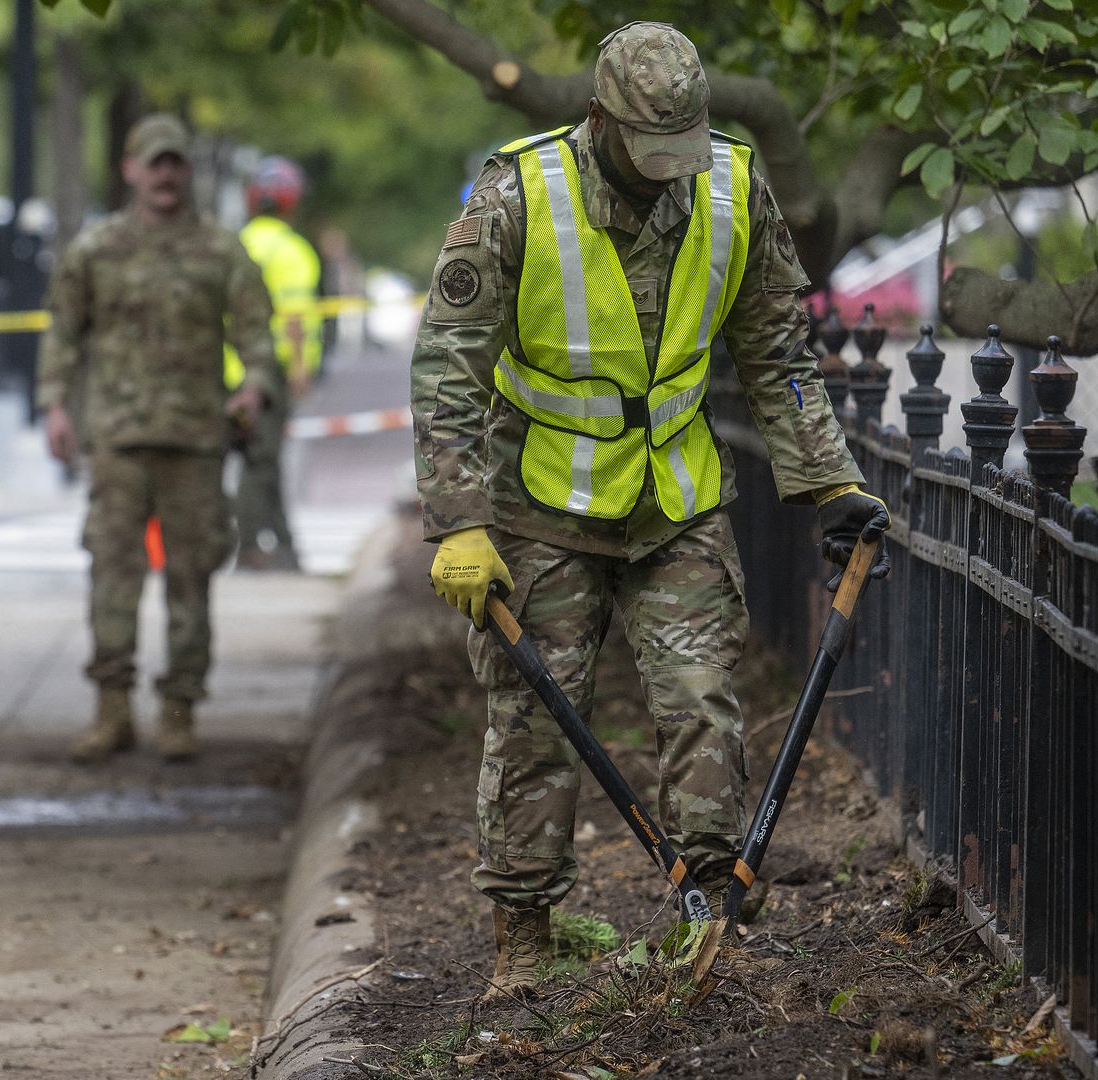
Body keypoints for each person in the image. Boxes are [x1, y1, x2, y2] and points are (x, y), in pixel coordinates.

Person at [411, 23, 890, 999]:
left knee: (701, 703)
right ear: (599, 119)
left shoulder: (730, 183)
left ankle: (708, 915)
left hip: (675, 497)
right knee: (535, 724)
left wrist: (829, 482)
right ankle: (524, 938)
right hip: (540, 500)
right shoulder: (518, 195)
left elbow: (778, 353)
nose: (670, 172)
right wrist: (460, 520)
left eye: (684, 147)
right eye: (648, 151)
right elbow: (447, 369)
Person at [37, 114, 280, 764]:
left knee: (190, 579)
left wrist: (253, 385)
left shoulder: (221, 251)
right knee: (112, 576)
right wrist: (54, 406)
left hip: (196, 440)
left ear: (187, 172)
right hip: (116, 440)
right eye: (155, 162)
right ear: (132, 169)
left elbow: (257, 332)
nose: (166, 174)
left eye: (176, 163)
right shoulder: (96, 249)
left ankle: (179, 711)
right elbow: (63, 332)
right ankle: (111, 709)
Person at [225, 155, 322, 572]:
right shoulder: (293, 251)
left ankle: (283, 545)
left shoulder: (235, 243)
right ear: (290, 202)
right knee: (260, 461)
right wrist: (299, 370)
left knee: (259, 459)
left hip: (228, 369)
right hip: (271, 373)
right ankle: (250, 546)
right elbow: (295, 318)